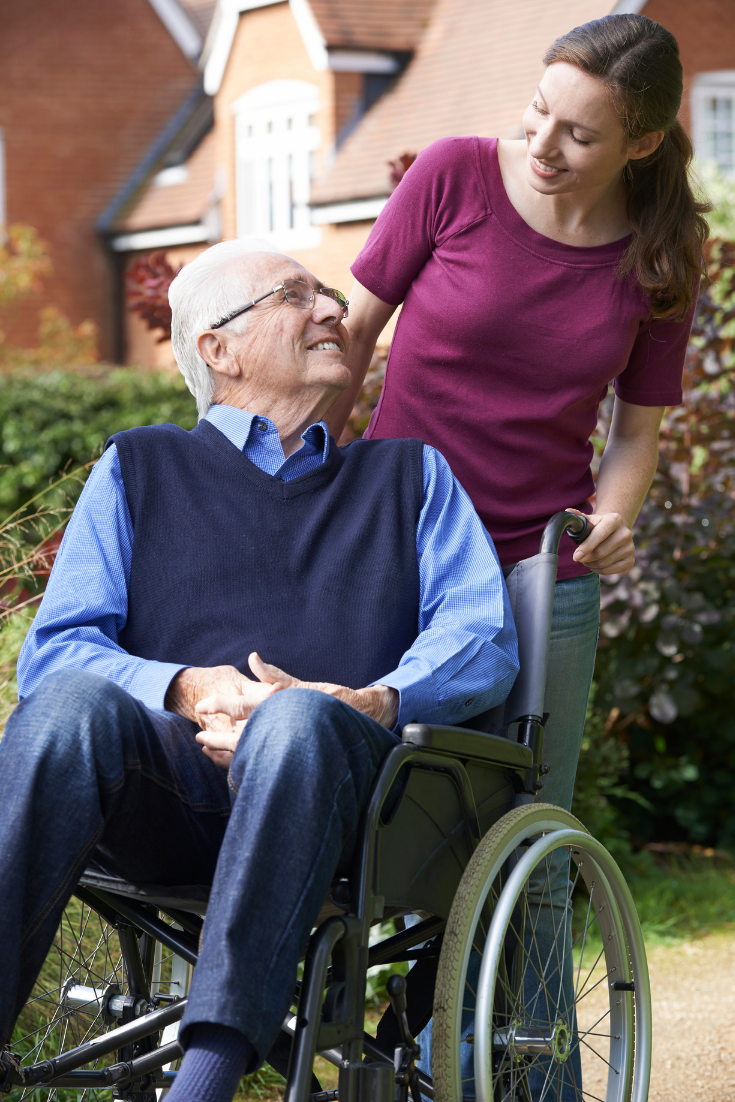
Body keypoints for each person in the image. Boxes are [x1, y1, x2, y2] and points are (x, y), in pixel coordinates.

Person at [0, 240, 519, 1102]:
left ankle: (204, 1080)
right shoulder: (137, 467)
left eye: (328, 295)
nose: (333, 310)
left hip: (353, 798)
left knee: (295, 720)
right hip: (171, 794)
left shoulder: (408, 477)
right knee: (62, 710)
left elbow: (479, 637)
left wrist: (370, 698)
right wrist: (191, 686)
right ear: (218, 348)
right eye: (296, 296)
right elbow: (58, 648)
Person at [327, 12, 707, 1099]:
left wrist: (618, 512)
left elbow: (635, 432)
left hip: (538, 567)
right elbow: (352, 337)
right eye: (538, 112)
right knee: (365, 790)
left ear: (640, 143)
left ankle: (534, 1086)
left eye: (579, 135)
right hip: (390, 547)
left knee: (527, 834)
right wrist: (296, 472)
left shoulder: (663, 251)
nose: (542, 146)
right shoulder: (450, 180)